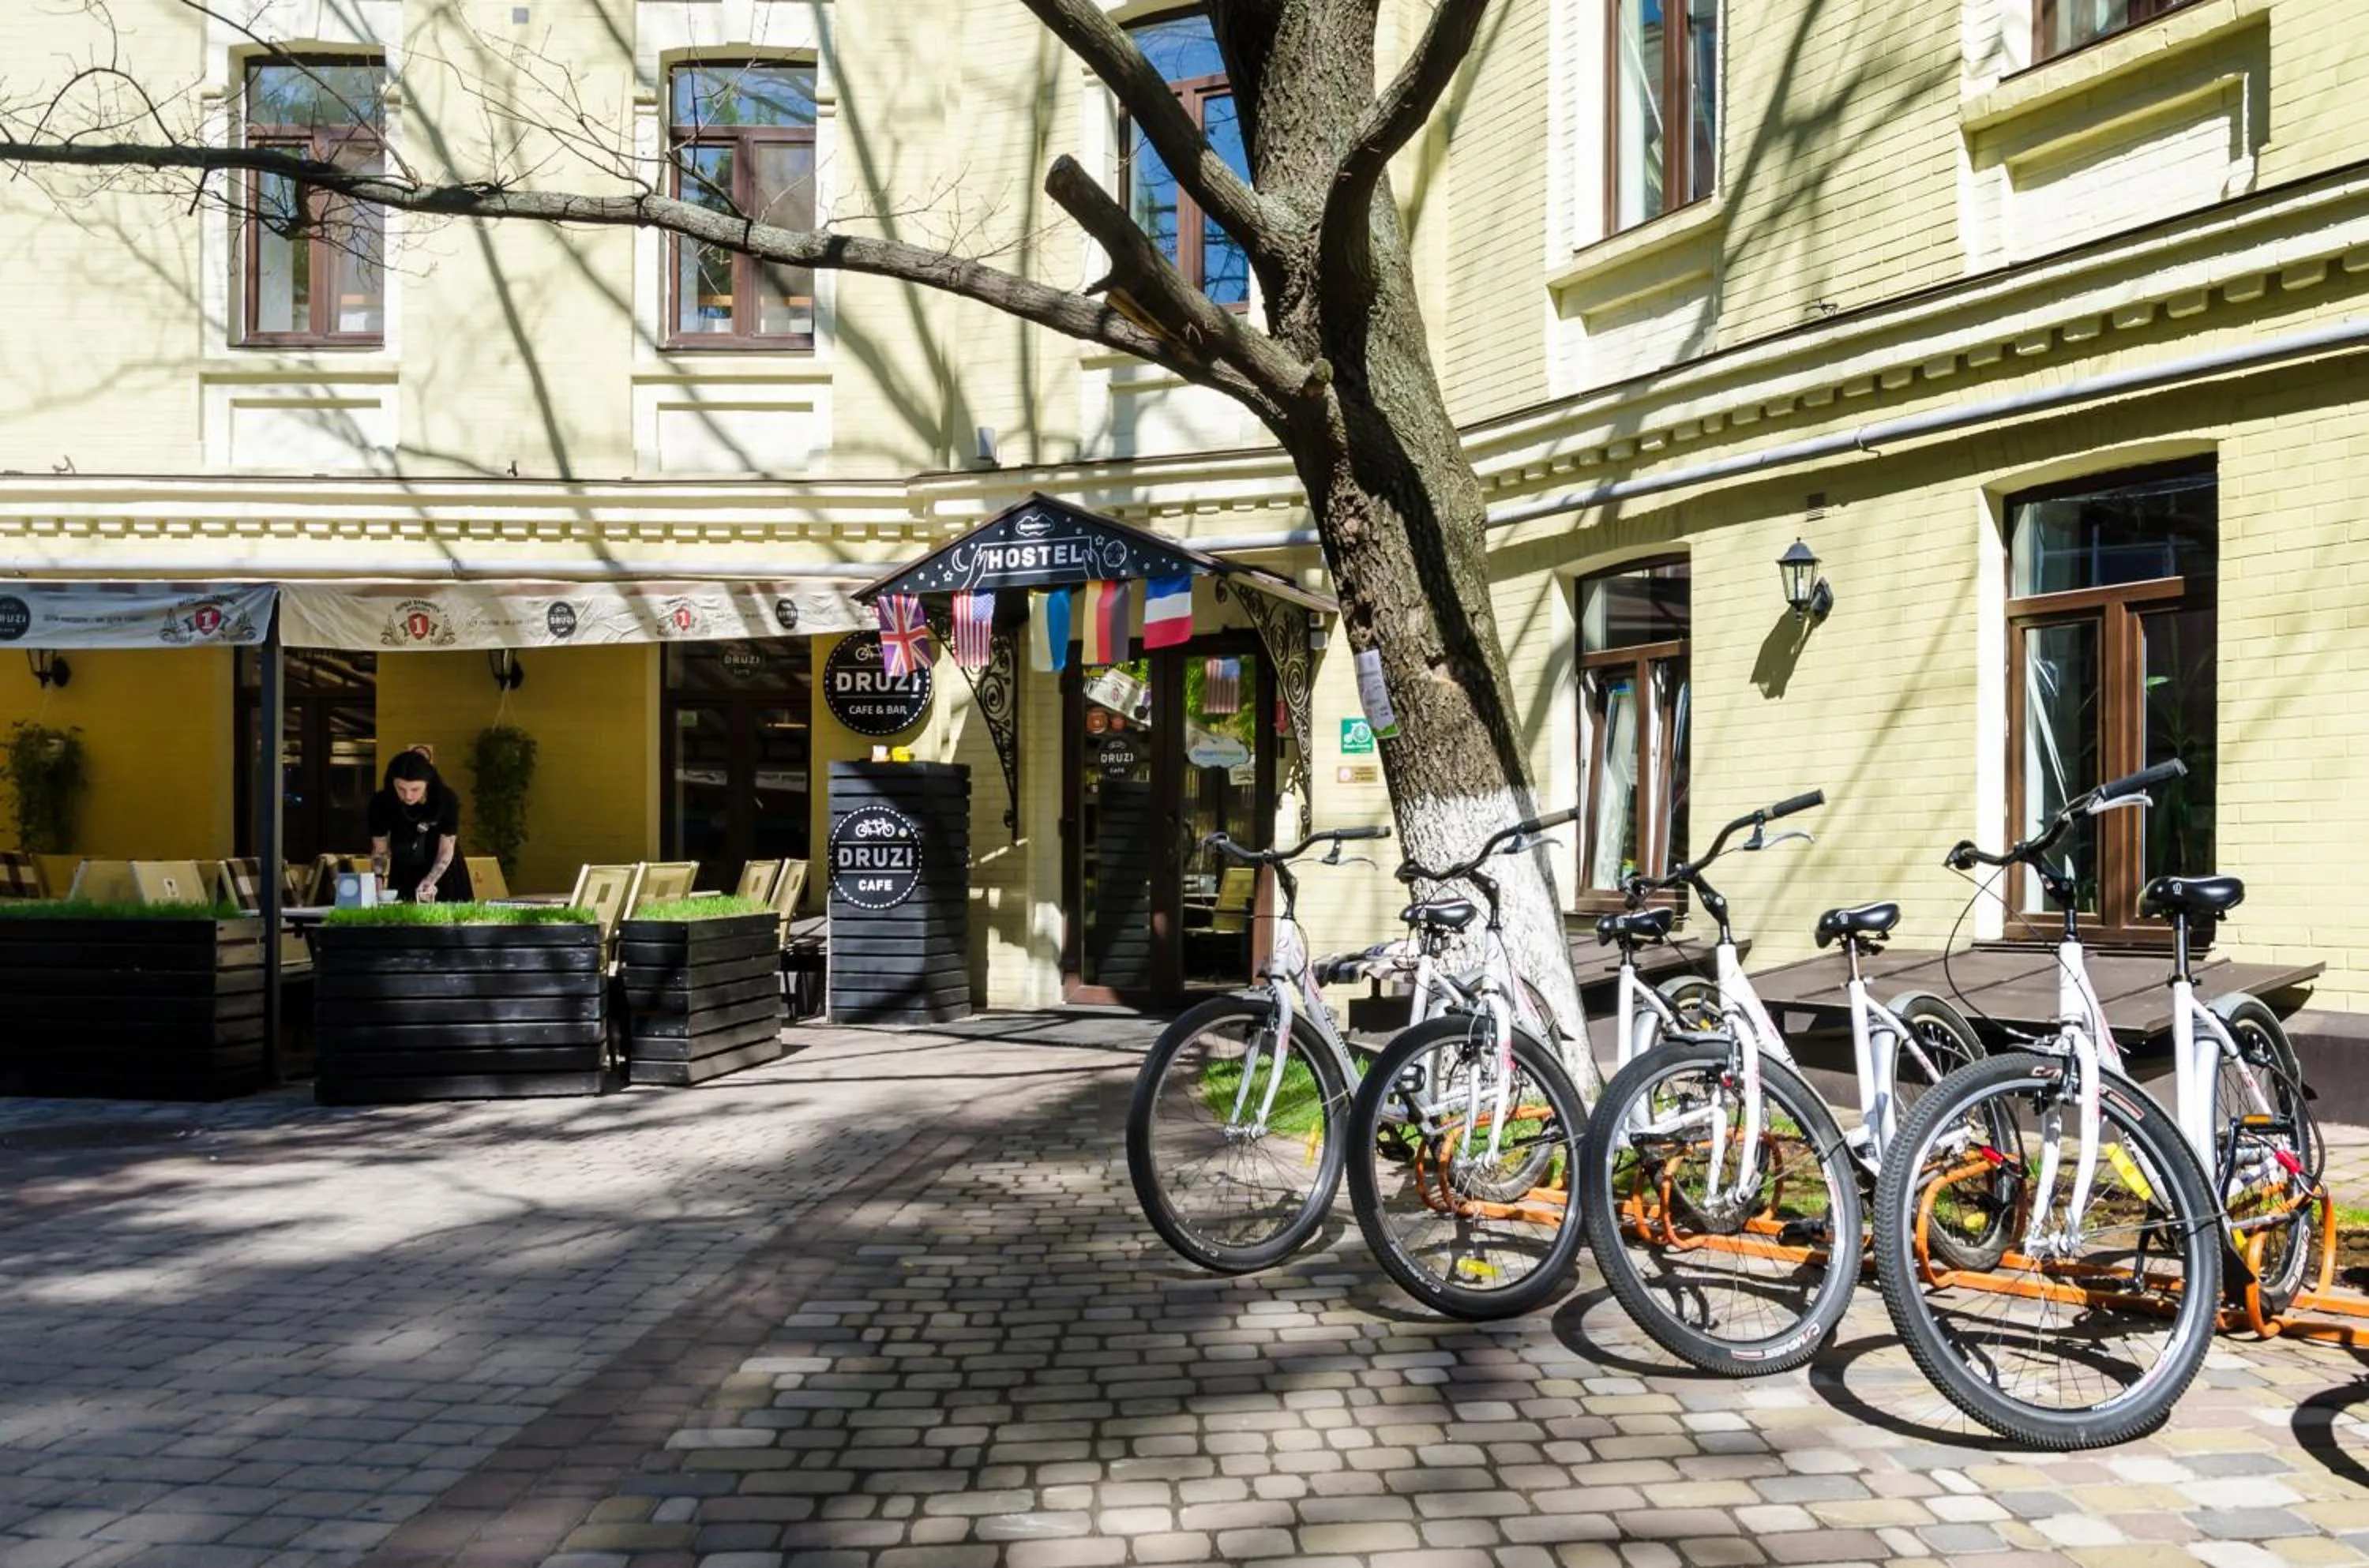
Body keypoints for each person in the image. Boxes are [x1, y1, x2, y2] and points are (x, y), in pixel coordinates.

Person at [368, 748, 471, 903]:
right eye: (401, 789)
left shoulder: (445, 799)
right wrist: (377, 879)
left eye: (415, 789)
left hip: (443, 869)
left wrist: (430, 881)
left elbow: (446, 849)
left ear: (427, 783)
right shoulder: (381, 802)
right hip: (404, 866)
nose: (408, 796)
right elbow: (380, 850)